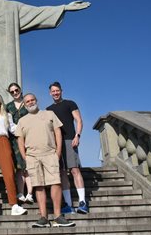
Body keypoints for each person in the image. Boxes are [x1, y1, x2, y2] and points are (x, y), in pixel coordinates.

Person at [16, 93, 75, 228]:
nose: (30, 103)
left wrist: (58, 152)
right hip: (32, 156)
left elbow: (58, 133)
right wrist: (25, 157)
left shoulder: (49, 114)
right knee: (38, 185)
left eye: (32, 100)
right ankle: (43, 217)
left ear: (37, 100)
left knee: (56, 183)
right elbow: (20, 139)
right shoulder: (22, 120)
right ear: (24, 105)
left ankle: (58, 216)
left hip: (50, 154)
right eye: (27, 101)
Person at [46, 81, 89, 214]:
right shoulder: (48, 109)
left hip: (70, 140)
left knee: (75, 170)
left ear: (61, 91)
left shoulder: (70, 103)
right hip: (56, 144)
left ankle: (82, 202)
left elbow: (79, 120)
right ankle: (69, 205)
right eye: (53, 91)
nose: (55, 93)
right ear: (50, 93)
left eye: (57, 90)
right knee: (63, 173)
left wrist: (78, 135)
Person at [0, 93, 27, 216]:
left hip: (4, 142)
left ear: (1, 103)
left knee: (9, 173)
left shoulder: (7, 115)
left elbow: (14, 128)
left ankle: (14, 205)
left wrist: (27, 127)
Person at [5, 83, 33, 204]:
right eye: (12, 92)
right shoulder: (8, 106)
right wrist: (19, 131)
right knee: (19, 167)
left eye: (16, 90)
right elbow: (8, 124)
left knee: (29, 165)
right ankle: (21, 192)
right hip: (15, 139)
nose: (15, 93)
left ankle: (30, 193)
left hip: (29, 137)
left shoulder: (27, 102)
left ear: (20, 90)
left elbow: (33, 118)